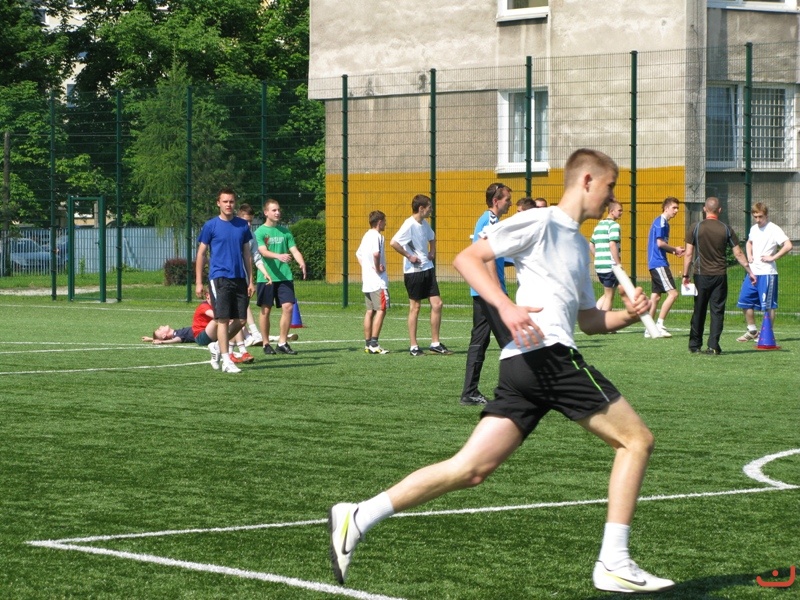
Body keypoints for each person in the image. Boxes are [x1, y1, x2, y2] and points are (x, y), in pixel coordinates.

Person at [329, 149, 675, 594]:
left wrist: (628, 315)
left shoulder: (577, 244)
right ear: (587, 180)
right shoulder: (541, 221)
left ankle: (358, 516)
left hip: (526, 364)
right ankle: (614, 561)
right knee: (636, 440)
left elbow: (589, 321)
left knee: (470, 469)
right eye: (609, 187)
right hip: (546, 355)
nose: (611, 197)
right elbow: (468, 259)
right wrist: (506, 306)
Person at [460, 182, 512, 406]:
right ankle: (517, 392)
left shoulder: (488, 220)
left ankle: (469, 392)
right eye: (507, 199)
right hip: (489, 292)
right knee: (511, 341)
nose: (510, 203)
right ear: (496, 201)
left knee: (479, 341)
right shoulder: (491, 221)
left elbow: (494, 256)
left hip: (481, 289)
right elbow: (487, 256)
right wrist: (497, 291)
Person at [681, 197, 755, 355]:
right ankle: (713, 346)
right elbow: (738, 253)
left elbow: (688, 254)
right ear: (720, 210)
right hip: (720, 275)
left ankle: (694, 345)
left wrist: (685, 275)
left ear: (704, 209)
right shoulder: (726, 229)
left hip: (701, 275)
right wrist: (750, 272)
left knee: (699, 310)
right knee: (717, 311)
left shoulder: (695, 227)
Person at [195, 187, 255, 374]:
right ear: (218, 203)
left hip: (239, 278)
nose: (228, 204)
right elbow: (201, 254)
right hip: (219, 278)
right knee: (223, 319)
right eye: (225, 201)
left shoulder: (242, 226)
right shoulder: (210, 226)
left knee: (241, 320)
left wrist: (251, 280)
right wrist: (199, 281)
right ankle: (227, 360)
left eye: (231, 201)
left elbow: (247, 254)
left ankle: (216, 346)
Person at [390, 194, 452, 356]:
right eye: (429, 207)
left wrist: (432, 251)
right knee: (415, 307)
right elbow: (394, 243)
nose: (431, 210)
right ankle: (413, 346)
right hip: (414, 272)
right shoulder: (409, 224)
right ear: (421, 208)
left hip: (428, 268)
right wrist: (409, 256)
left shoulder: (424, 224)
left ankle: (435, 343)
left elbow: (432, 237)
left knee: (437, 304)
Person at [255, 199, 307, 356]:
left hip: (284, 276)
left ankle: (282, 343)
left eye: (278, 210)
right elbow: (263, 251)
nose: (277, 212)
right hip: (266, 277)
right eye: (274, 210)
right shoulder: (260, 232)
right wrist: (279, 256)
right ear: (266, 213)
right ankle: (266, 343)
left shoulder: (285, 232)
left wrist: (301, 263)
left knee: (288, 307)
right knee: (266, 310)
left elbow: (294, 250)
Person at [735, 203, 793, 342]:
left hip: (767, 273)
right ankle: (752, 330)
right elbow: (749, 242)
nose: (758, 219)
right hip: (752, 272)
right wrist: (749, 255)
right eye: (755, 216)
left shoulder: (774, 229)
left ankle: (766, 334)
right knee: (745, 301)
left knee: (768, 305)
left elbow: (788, 245)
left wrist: (773, 257)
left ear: (766, 215)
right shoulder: (754, 228)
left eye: (760, 216)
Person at [646, 197, 685, 338]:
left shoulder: (664, 223)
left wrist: (674, 251)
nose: (676, 210)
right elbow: (660, 243)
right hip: (658, 263)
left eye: (677, 208)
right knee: (673, 294)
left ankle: (649, 328)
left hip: (655, 263)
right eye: (674, 208)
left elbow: (661, 245)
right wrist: (675, 249)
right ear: (666, 208)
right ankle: (659, 325)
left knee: (655, 297)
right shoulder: (661, 222)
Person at [237, 203, 273, 347]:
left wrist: (265, 273)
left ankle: (251, 334)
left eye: (250, 221)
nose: (248, 224)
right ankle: (247, 335)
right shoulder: (232, 232)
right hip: (228, 276)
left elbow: (256, 257)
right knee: (235, 310)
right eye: (246, 220)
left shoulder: (251, 236)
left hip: (243, 277)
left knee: (242, 305)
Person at [356, 210, 391, 354]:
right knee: (381, 310)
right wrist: (376, 268)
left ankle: (367, 344)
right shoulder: (377, 236)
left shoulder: (366, 235)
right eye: (384, 221)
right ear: (379, 222)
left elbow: (358, 254)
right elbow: (376, 254)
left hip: (367, 281)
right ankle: (374, 344)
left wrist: (367, 267)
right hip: (378, 281)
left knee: (370, 311)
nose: (385, 224)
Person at [590, 200, 623, 311]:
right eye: (619, 210)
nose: (621, 213)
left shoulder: (598, 226)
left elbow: (591, 245)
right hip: (610, 266)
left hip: (599, 266)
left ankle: (595, 313)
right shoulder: (614, 225)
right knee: (609, 296)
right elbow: (612, 244)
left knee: (607, 293)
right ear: (612, 211)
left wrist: (599, 257)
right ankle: (603, 320)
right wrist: (618, 264)